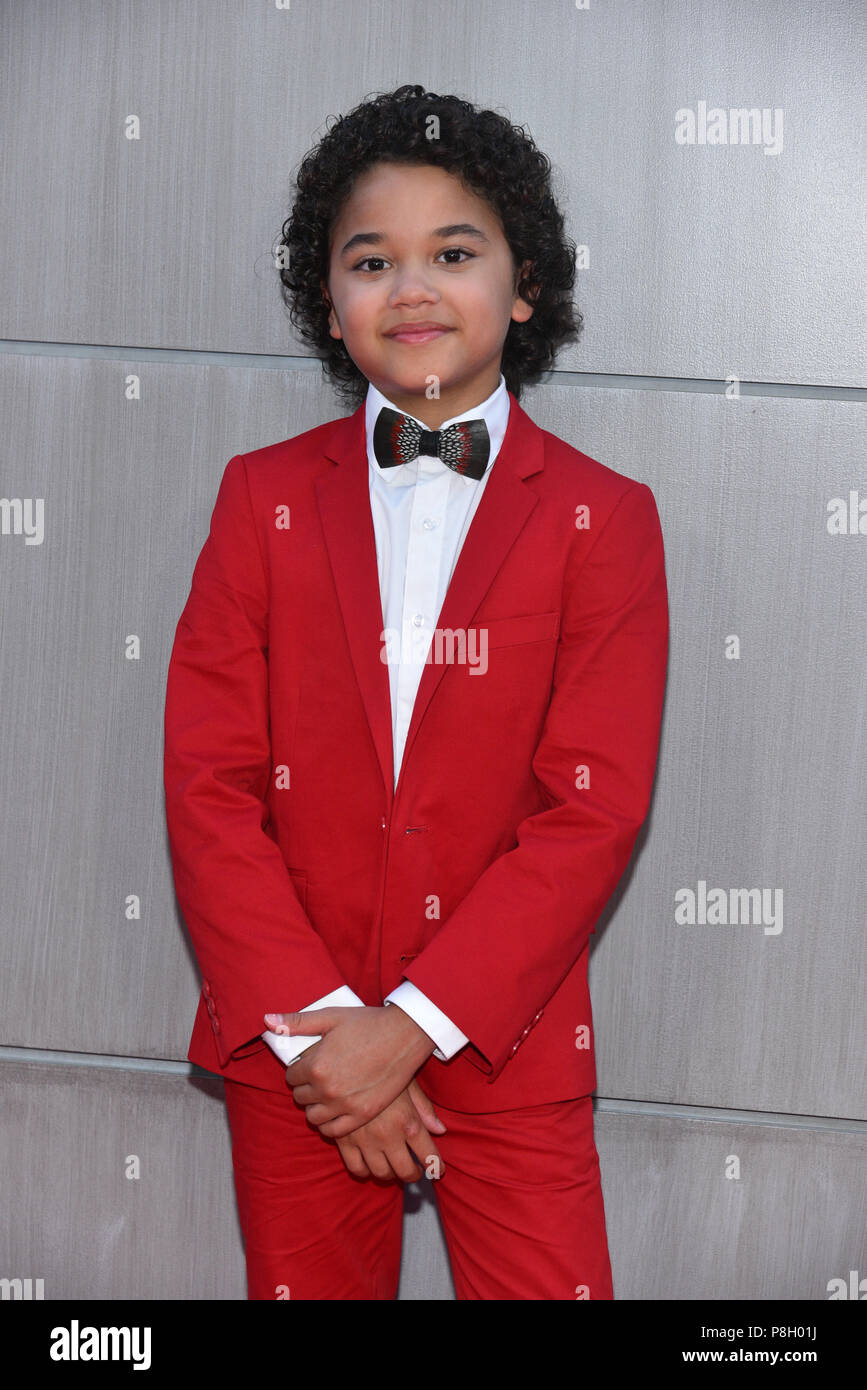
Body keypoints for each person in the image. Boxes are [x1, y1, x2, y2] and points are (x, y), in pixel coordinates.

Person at [163, 83, 669, 1300]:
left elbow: (590, 812)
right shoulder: (256, 499)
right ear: (328, 306)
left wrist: (414, 1027)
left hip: (510, 1039)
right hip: (299, 1051)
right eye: (370, 260)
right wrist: (329, 1032)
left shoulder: (609, 519)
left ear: (525, 282)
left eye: (454, 252)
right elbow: (209, 787)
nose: (413, 287)